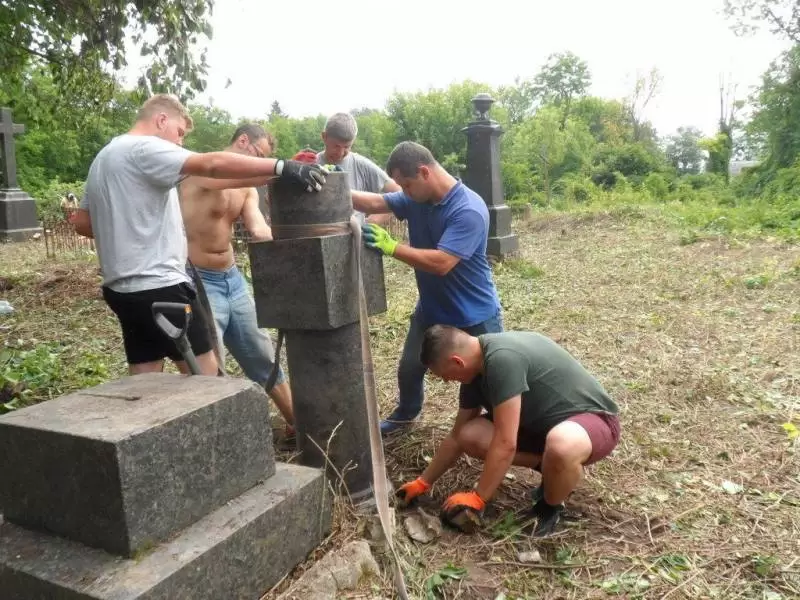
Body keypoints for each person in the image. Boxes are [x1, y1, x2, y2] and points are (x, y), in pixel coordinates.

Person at [73, 93, 326, 376]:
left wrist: (129, 231)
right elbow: (212, 166)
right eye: (179, 132)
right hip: (162, 287)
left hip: (122, 291)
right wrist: (282, 166)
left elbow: (82, 222)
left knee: (145, 384)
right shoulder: (144, 148)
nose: (180, 142)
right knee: (208, 382)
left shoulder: (104, 158)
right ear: (161, 120)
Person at [396, 325, 621, 537]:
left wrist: (478, 497)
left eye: (445, 375)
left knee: (561, 445)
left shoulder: (501, 360)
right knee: (469, 434)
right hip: (542, 427)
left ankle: (550, 507)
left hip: (593, 422)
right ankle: (553, 469)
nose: (447, 381)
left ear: (457, 361)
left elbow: (506, 442)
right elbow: (456, 437)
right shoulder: (475, 372)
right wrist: (423, 482)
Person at [351, 141, 504, 435]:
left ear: (424, 172)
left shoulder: (468, 209)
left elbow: (442, 262)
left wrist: (392, 247)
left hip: (475, 314)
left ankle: (505, 427)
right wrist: (328, 183)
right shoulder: (416, 198)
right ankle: (405, 416)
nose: (403, 192)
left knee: (492, 378)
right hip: (431, 310)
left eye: (406, 185)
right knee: (410, 366)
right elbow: (372, 203)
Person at [177, 122, 295, 433]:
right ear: (243, 141)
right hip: (199, 281)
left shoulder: (246, 187)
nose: (260, 163)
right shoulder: (203, 168)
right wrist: (277, 171)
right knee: (209, 367)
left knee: (262, 354)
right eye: (259, 155)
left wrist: (292, 242)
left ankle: (298, 425)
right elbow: (219, 173)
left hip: (232, 280)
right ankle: (221, 437)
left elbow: (258, 229)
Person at [316, 112, 400, 225]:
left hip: (354, 234)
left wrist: (373, 221)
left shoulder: (361, 165)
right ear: (324, 137)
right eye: (336, 146)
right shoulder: (310, 166)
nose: (340, 153)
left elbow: (399, 193)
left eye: (347, 147)